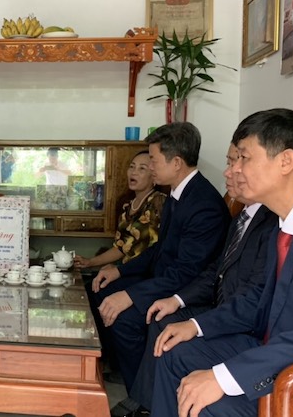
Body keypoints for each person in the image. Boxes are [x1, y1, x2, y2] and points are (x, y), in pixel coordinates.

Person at [151, 108, 293, 417]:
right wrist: (196, 325)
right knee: (175, 352)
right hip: (276, 350)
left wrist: (225, 378)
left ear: (286, 161)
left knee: (211, 403)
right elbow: (258, 300)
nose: (232, 171)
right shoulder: (283, 223)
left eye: (244, 158)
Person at [110, 144, 277, 417]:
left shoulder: (270, 221)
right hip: (213, 300)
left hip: (239, 321)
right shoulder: (241, 217)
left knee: (166, 336)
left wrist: (193, 322)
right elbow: (215, 269)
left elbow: (249, 296)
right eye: (230, 161)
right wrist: (176, 300)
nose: (229, 172)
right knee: (162, 322)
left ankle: (145, 402)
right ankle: (144, 401)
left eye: (240, 161)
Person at [88, 122, 230, 393]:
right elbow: (159, 250)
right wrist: (120, 270)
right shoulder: (178, 194)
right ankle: (118, 374)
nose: (150, 166)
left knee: (124, 318)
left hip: (187, 290)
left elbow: (186, 272)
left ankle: (141, 395)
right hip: (164, 277)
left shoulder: (203, 205)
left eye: (152, 160)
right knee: (100, 290)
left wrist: (131, 296)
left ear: (176, 162)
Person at [74, 151, 167, 272]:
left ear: (154, 176)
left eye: (142, 169)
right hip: (125, 272)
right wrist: (90, 262)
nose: (134, 172)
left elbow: (160, 248)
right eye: (132, 167)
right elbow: (120, 247)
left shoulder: (159, 202)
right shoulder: (127, 206)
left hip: (147, 275)